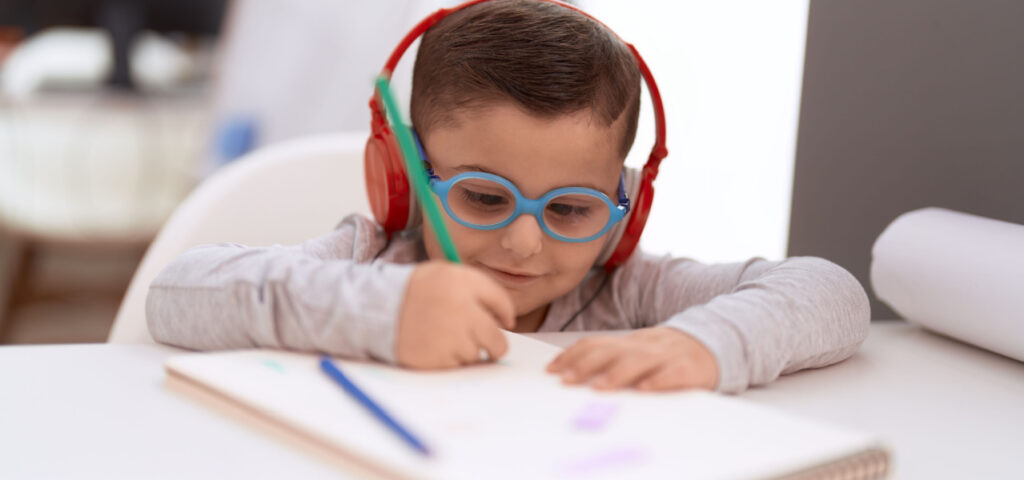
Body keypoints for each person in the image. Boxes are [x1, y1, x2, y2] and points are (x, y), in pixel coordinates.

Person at [147, 0, 869, 394]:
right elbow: (177, 292)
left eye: (569, 209)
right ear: (404, 179)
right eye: (485, 198)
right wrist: (386, 311)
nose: (526, 243)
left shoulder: (627, 292)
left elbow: (833, 293)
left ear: (626, 206)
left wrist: (706, 345)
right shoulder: (373, 262)